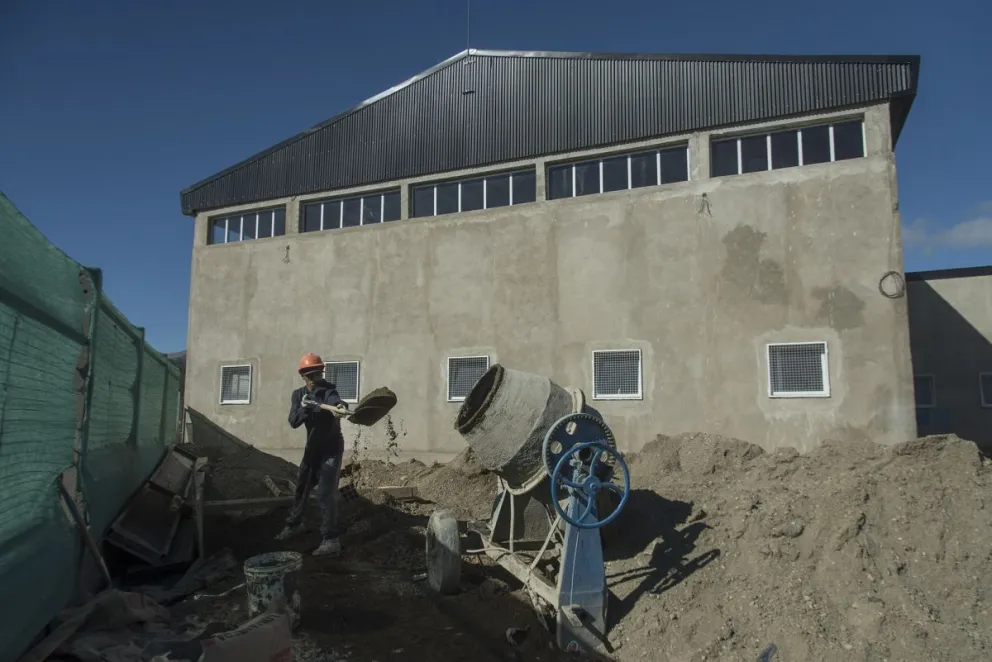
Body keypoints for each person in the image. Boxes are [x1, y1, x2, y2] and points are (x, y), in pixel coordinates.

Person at [275, 352, 350, 556]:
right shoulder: (298, 395)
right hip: (312, 448)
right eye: (312, 374)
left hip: (331, 448)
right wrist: (304, 409)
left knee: (325, 491)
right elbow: (293, 421)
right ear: (304, 376)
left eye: (318, 373)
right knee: (302, 486)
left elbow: (337, 402)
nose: (317, 377)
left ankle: (331, 539)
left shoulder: (328, 390)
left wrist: (340, 407)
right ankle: (294, 524)